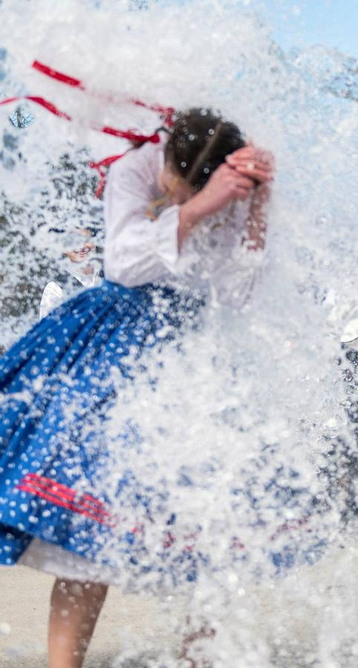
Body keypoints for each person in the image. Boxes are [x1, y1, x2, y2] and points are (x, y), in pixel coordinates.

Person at [0, 107, 272, 667]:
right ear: (167, 155)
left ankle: (199, 659)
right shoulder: (133, 167)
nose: (174, 189)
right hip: (109, 347)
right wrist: (200, 205)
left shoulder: (234, 189)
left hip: (189, 355)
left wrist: (254, 210)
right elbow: (123, 264)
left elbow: (237, 293)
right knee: (84, 532)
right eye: (177, 179)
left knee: (209, 520)